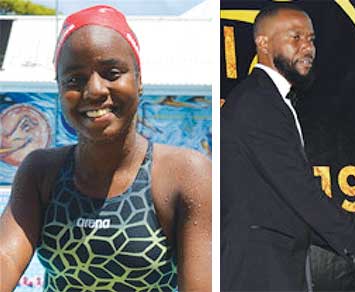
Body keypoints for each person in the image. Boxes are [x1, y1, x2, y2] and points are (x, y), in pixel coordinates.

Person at [0, 5, 211, 291]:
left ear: (139, 81)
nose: (95, 90)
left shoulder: (185, 175)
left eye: (112, 73)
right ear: (60, 90)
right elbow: (6, 257)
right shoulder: (40, 172)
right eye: (75, 79)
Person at [220, 4, 355, 291]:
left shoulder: (271, 100)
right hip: (258, 273)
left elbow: (285, 206)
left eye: (312, 39)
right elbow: (303, 196)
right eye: (296, 37)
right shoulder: (257, 103)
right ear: (263, 43)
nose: (308, 47)